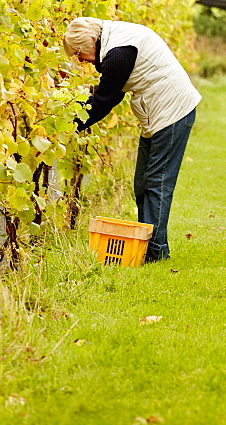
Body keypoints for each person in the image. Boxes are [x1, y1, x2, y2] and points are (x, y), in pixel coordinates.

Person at [63, 17, 201, 263]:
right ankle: (147, 245)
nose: (80, 59)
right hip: (159, 113)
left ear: (90, 42)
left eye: (79, 52)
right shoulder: (114, 40)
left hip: (171, 113)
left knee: (157, 183)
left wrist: (67, 127)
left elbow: (105, 100)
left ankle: (156, 252)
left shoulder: (117, 54)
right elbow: (107, 91)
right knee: (143, 182)